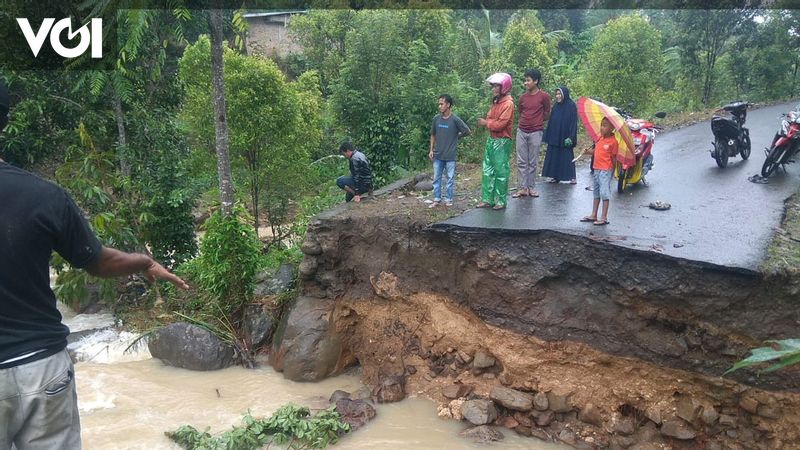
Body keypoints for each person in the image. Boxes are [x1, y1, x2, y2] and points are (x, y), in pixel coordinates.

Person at [0, 78, 189, 450]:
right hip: (42, 367)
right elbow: (100, 262)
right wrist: (145, 262)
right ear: (5, 121)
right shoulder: (44, 196)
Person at [476, 72, 515, 211]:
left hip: (502, 141)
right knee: (487, 170)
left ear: (503, 87)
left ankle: (500, 200)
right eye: (492, 87)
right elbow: (492, 119)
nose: (493, 89)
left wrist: (486, 123)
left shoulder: (508, 104)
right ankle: (487, 199)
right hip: (491, 139)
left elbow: (500, 124)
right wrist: (489, 122)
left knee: (500, 171)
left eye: (495, 87)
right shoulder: (496, 102)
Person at [513, 69, 551, 198]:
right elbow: (521, 110)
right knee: (521, 161)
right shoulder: (522, 97)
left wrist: (537, 121)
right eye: (525, 80)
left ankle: (531, 187)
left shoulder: (544, 96)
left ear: (536, 81)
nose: (526, 83)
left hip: (536, 131)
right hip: (522, 131)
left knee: (533, 161)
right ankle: (522, 188)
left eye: (528, 80)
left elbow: (547, 112)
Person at [429, 94, 471, 208]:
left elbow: (467, 131)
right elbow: (433, 135)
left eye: (442, 104)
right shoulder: (436, 119)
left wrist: (458, 135)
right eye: (439, 104)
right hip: (438, 154)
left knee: (450, 178)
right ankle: (437, 199)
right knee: (436, 178)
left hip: (450, 155)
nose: (440, 106)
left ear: (448, 105)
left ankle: (448, 199)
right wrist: (431, 150)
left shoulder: (455, 119)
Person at [579, 117, 618, 226]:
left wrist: (614, 171)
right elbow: (595, 152)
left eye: (605, 126)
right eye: (601, 125)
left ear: (612, 129)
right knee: (596, 192)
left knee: (604, 192)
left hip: (606, 170)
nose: (602, 128)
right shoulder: (599, 139)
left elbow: (614, 158)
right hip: (596, 169)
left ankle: (604, 217)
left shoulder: (613, 142)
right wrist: (587, 152)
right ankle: (594, 214)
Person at [541, 86, 578, 184]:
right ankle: (555, 176)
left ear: (564, 94)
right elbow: (551, 121)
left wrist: (571, 136)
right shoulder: (556, 106)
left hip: (565, 136)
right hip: (555, 135)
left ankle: (572, 176)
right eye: (556, 94)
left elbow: (574, 122)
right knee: (554, 155)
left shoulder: (571, 105)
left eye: (559, 94)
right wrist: (547, 134)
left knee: (567, 156)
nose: (558, 96)